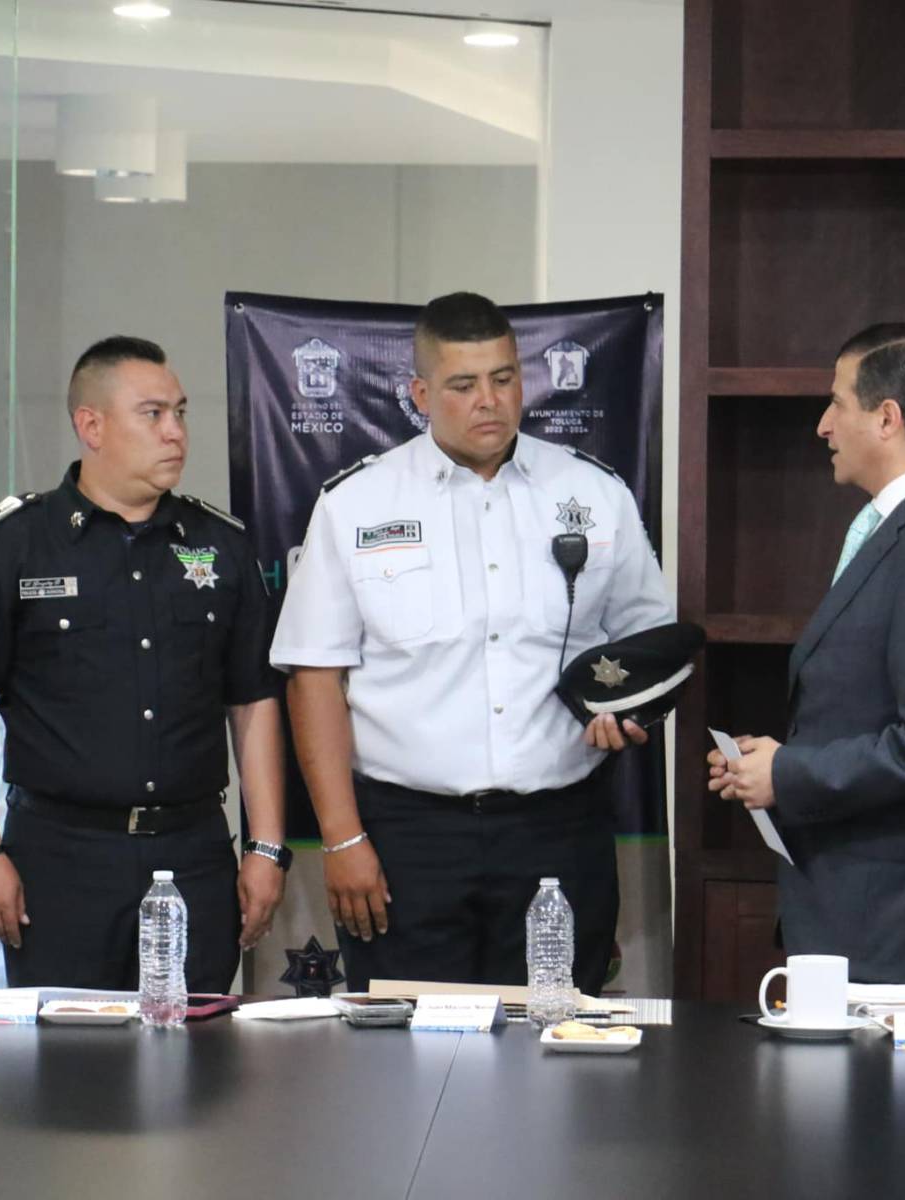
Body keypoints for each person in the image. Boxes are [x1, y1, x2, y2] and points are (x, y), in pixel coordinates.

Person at [271, 291, 674, 996]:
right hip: (408, 838)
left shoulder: (593, 493)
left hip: (558, 827)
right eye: (463, 385)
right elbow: (314, 680)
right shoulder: (357, 505)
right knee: (406, 1065)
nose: (489, 400)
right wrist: (342, 839)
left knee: (557, 1055)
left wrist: (633, 712)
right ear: (420, 393)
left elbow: (652, 640)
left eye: (504, 377)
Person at [0, 335, 286, 991]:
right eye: (152, 414)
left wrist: (265, 846)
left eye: (180, 413)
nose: (175, 432)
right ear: (90, 425)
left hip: (193, 851)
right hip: (61, 855)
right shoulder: (12, 545)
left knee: (200, 1069)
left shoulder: (222, 545)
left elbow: (254, 702)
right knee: (67, 1076)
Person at [707, 324, 905, 984]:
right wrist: (774, 762)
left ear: (887, 418)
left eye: (837, 402)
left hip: (896, 911)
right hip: (855, 897)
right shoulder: (896, 524)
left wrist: (791, 776)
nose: (822, 424)